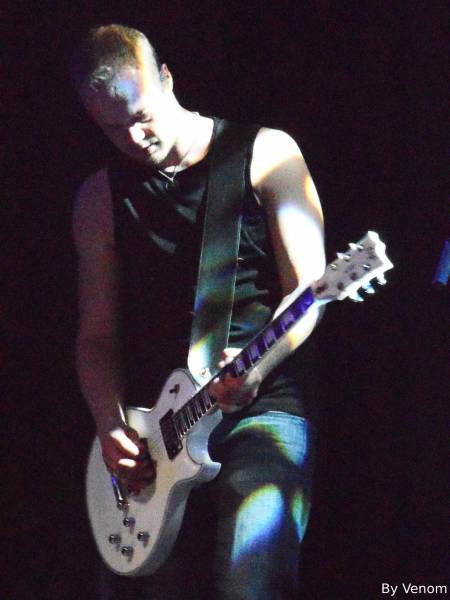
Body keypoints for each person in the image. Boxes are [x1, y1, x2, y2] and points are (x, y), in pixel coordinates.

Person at [72, 24, 325, 600]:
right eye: (112, 128)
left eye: (141, 116)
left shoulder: (267, 153)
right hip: (159, 427)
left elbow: (310, 291)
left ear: (166, 78)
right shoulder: (98, 199)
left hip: (262, 404)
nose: (133, 137)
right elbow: (96, 335)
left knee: (250, 579)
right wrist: (110, 424)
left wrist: (259, 365)